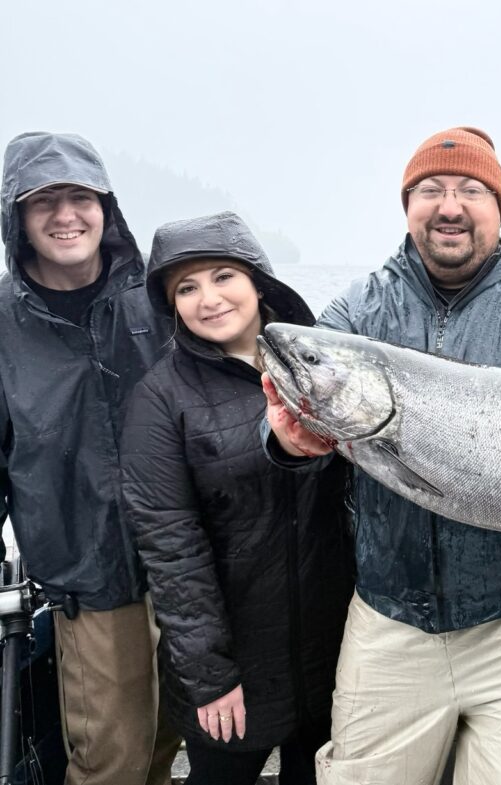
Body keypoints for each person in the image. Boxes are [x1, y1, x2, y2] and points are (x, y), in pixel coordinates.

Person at [264, 126, 501, 785]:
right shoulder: (358, 309)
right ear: (407, 205)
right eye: (430, 190)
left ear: (499, 208)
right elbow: (291, 408)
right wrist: (285, 439)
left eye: (471, 189)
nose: (450, 206)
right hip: (389, 620)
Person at [120, 211, 355, 785]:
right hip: (233, 662)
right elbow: (170, 546)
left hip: (334, 651)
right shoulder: (161, 397)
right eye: (187, 288)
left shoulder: (322, 366)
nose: (209, 299)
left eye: (223, 276)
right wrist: (210, 677)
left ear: (258, 282)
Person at [0, 131, 179, 785]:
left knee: (167, 741)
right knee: (112, 758)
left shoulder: (159, 296)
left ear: (106, 207)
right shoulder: (4, 324)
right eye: (43, 201)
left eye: (80, 197)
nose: (66, 215)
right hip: (91, 579)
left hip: (187, 563)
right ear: (17, 218)